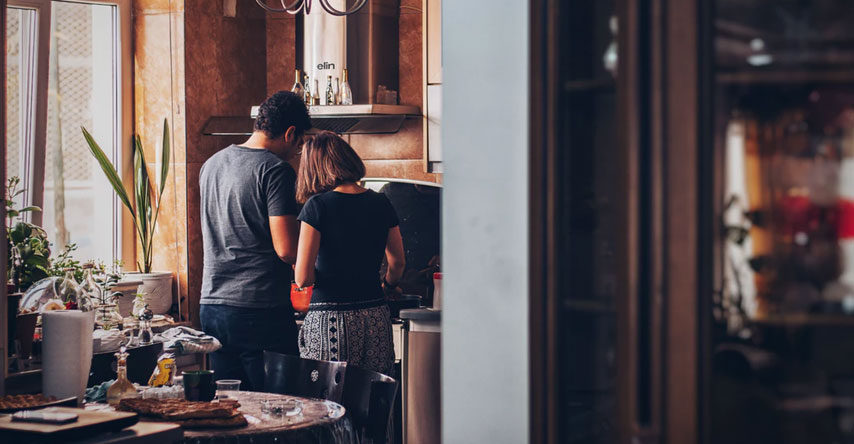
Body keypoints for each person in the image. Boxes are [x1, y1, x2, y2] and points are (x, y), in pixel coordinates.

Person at [199, 91, 310, 390]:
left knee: (232, 409)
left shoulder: (211, 165)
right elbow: (287, 250)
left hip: (212, 306)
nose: (296, 152)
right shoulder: (275, 170)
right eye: (299, 145)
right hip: (258, 310)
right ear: (290, 133)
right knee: (281, 411)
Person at [294, 131, 405, 375]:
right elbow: (397, 262)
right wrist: (388, 285)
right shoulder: (381, 202)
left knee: (328, 405)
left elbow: (303, 278)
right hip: (375, 315)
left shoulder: (317, 206)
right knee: (374, 398)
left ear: (314, 168)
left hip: (330, 321)